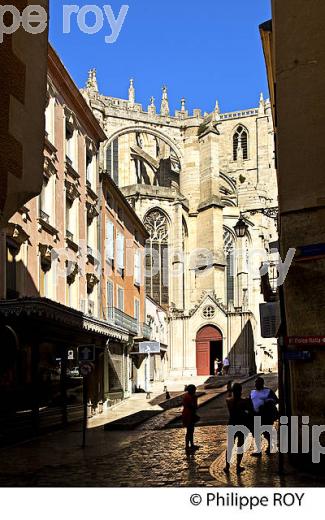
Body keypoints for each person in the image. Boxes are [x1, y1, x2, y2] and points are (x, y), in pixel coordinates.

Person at [224, 383, 253, 474]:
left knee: (230, 446)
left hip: (231, 424)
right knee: (240, 446)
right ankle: (238, 466)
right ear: (241, 391)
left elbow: (229, 397)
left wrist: (229, 391)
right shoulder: (244, 401)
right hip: (241, 425)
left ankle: (227, 466)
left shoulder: (228, 401)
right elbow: (250, 411)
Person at [250, 376, 279, 455]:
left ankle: (270, 446)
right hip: (255, 415)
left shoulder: (268, 391)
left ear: (262, 384)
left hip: (265, 416)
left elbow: (276, 400)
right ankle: (258, 450)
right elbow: (249, 402)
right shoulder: (252, 392)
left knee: (266, 432)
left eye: (258, 382)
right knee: (256, 433)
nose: (256, 384)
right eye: (255, 382)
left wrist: (267, 402)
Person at [182, 384, 200, 453]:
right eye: (194, 389)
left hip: (190, 414)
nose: (195, 391)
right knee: (189, 431)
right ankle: (187, 446)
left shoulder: (191, 396)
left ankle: (191, 445)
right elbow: (192, 406)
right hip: (188, 415)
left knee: (191, 430)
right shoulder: (188, 397)